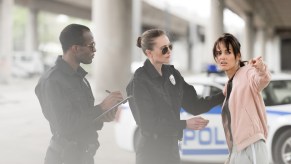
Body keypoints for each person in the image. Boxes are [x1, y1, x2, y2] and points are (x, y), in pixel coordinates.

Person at [126, 29, 225, 164]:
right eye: (164, 49)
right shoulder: (139, 80)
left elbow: (195, 105)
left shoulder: (173, 74)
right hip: (151, 152)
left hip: (172, 150)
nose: (169, 51)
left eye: (170, 47)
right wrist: (185, 124)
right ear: (149, 53)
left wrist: (223, 95)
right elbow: (148, 123)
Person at [35, 24, 123, 164]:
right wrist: (100, 108)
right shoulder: (51, 81)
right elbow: (65, 125)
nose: (95, 50)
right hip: (64, 158)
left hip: (84, 156)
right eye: (91, 45)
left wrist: (103, 116)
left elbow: (82, 118)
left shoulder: (80, 78)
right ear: (75, 48)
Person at [212, 33, 271, 164]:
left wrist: (260, 68)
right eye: (218, 53)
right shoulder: (228, 86)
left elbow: (262, 80)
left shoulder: (248, 72)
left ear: (238, 56)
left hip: (252, 144)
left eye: (227, 52)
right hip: (237, 148)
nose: (222, 57)